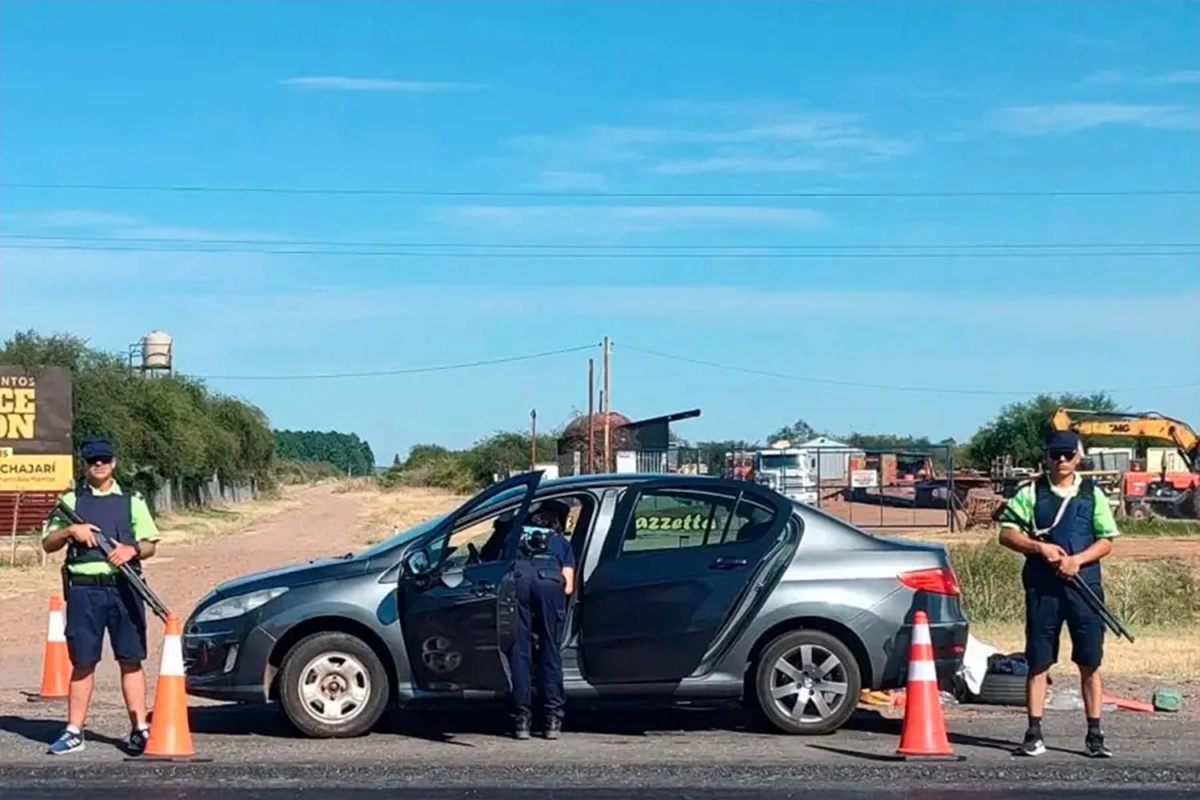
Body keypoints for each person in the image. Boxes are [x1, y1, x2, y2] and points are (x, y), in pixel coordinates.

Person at [997, 429, 1119, 758]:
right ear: (1047, 457)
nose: (1062, 461)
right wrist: (1039, 548)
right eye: (1056, 455)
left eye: (1067, 455)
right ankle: (1034, 732)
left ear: (1078, 457)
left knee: (1090, 662)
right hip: (1042, 589)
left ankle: (1095, 734)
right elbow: (1007, 534)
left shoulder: (1094, 494)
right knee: (1038, 662)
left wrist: (1077, 561)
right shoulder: (1030, 493)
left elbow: (1107, 540)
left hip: (1084, 590)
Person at [40, 437, 161, 756]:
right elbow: (48, 543)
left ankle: (139, 728)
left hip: (126, 589)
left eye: (104, 460)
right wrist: (70, 532)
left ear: (114, 462)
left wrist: (131, 550)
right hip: (84, 590)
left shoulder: (132, 500)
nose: (99, 465)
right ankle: (73, 731)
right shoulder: (71, 502)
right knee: (83, 662)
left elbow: (150, 543)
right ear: (84, 464)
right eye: (93, 460)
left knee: (131, 660)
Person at [506, 499, 576, 740]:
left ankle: (521, 721)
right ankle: (552, 720)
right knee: (549, 649)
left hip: (517, 582)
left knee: (519, 651)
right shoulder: (560, 543)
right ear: (558, 522)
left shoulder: (514, 538)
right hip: (549, 583)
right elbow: (568, 588)